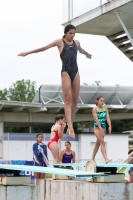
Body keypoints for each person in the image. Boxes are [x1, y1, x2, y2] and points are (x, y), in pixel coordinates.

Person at [18, 24, 92, 139]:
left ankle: (70, 123)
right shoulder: (60, 42)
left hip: (76, 71)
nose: (72, 35)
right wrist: (27, 52)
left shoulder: (76, 42)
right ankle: (70, 127)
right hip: (66, 72)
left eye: (74, 33)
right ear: (65, 33)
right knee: (67, 99)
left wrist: (87, 54)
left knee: (75, 100)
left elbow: (81, 50)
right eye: (70, 33)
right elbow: (44, 48)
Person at [91, 96, 112, 163]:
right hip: (97, 128)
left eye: (103, 101)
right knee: (102, 142)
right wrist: (100, 127)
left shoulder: (105, 109)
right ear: (97, 101)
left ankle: (92, 158)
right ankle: (106, 158)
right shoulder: (95, 109)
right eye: (101, 101)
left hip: (104, 128)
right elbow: (96, 119)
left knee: (98, 143)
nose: (102, 102)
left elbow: (108, 118)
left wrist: (110, 126)